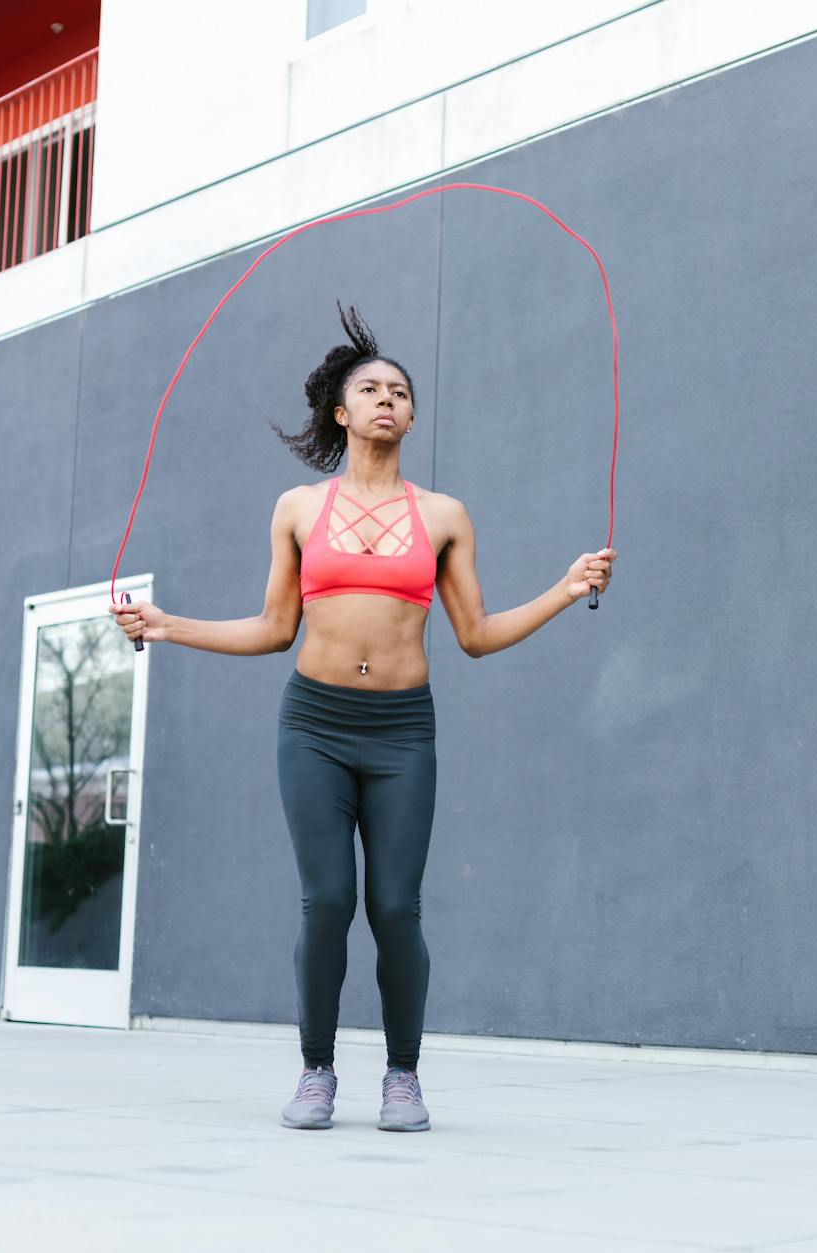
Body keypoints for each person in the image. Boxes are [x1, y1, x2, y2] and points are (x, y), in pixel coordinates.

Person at [111, 305, 615, 1132]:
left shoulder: (445, 515)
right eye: (371, 389)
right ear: (341, 413)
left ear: (411, 417)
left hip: (402, 733)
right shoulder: (299, 509)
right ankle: (316, 1071)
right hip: (313, 723)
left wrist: (565, 588)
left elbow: (478, 637)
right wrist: (169, 626)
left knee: (395, 906)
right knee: (328, 901)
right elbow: (275, 629)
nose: (388, 399)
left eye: (401, 392)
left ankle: (403, 1077)